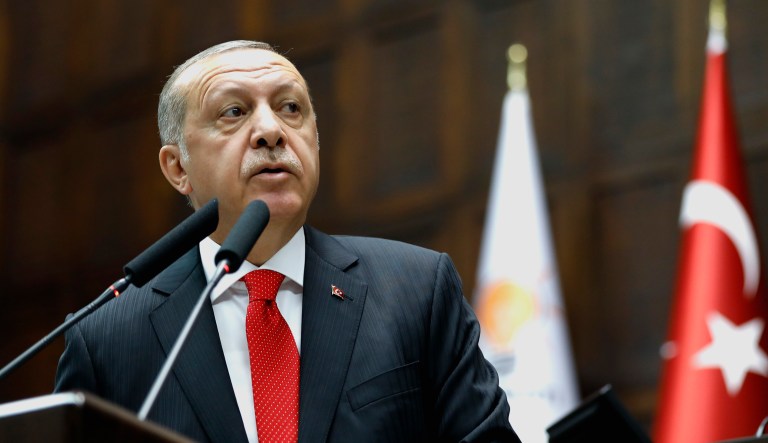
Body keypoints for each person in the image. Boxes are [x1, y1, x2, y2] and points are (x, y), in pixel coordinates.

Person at [54, 40, 519, 443]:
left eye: (290, 108)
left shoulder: (416, 291)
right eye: (234, 112)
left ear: (315, 139)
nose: (271, 130)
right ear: (178, 168)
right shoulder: (108, 339)